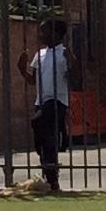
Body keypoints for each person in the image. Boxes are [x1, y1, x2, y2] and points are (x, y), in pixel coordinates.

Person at [20, 18, 73, 193]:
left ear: (57, 34)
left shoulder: (64, 53)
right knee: (44, 141)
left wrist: (72, 63)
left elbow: (73, 77)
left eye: (45, 31)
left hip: (57, 100)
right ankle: (50, 176)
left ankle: (52, 171)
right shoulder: (40, 54)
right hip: (41, 101)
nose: (41, 35)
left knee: (39, 123)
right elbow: (32, 81)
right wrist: (22, 69)